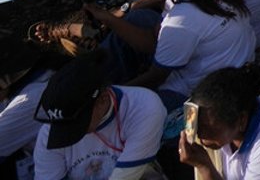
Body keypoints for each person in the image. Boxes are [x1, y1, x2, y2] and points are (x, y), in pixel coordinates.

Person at [88, 0, 254, 109]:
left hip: (207, 92)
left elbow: (155, 77)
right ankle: (93, 73)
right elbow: (154, 39)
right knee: (140, 18)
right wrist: (109, 19)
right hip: (234, 65)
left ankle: (93, 85)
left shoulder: (181, 21)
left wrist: (111, 95)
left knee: (139, 107)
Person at [30, 56, 167, 180]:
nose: (65, 131)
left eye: (76, 123)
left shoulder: (143, 108)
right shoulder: (50, 131)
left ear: (103, 99)